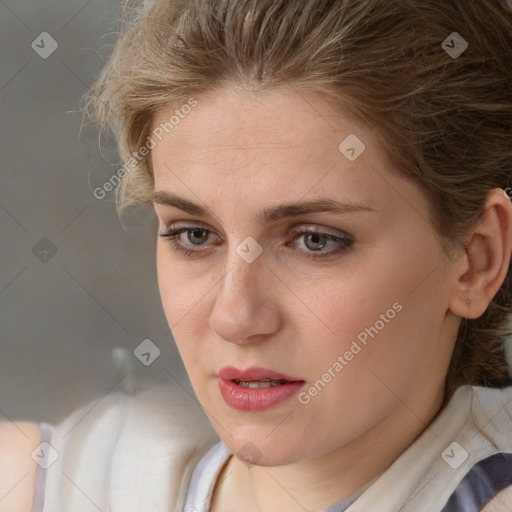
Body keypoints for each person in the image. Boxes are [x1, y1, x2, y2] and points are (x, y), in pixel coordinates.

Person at [1, 0, 512, 510]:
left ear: (476, 260)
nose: (235, 317)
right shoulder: (52, 481)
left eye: (315, 240)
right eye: (194, 235)